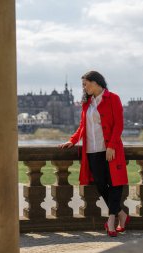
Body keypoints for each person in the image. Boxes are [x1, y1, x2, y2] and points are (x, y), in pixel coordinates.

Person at [59, 71, 130, 237]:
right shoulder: (87, 103)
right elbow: (82, 126)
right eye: (83, 85)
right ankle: (122, 214)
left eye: (86, 84)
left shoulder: (113, 98)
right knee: (99, 183)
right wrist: (73, 140)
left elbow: (118, 125)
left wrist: (112, 146)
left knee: (115, 183)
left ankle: (111, 220)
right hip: (92, 149)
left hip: (110, 149)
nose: (84, 87)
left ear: (96, 82)